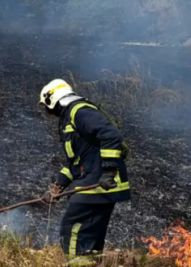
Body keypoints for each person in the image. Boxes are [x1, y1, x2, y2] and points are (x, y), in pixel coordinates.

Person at [38, 79, 131, 267]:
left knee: (72, 229)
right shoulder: (70, 118)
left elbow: (110, 134)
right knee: (90, 233)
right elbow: (76, 163)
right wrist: (58, 186)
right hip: (97, 180)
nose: (48, 112)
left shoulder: (79, 111)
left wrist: (109, 171)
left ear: (52, 99)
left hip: (100, 182)